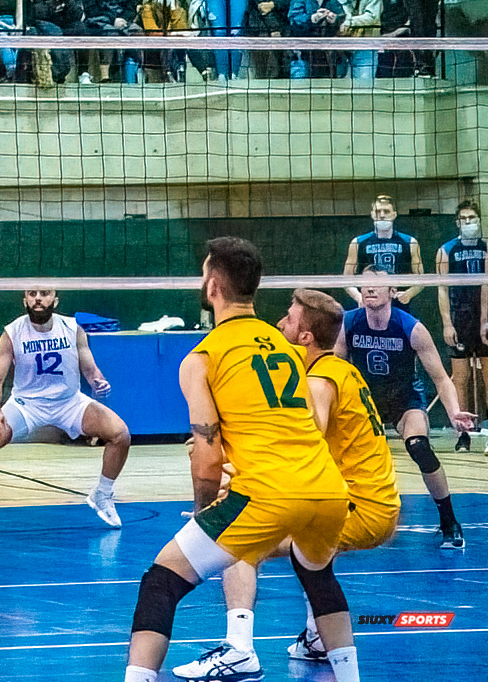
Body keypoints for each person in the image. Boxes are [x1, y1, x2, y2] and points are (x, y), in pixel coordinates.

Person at [123, 237, 357, 682]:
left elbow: (208, 459)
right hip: (327, 489)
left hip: (267, 494)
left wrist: (202, 513)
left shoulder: (202, 357)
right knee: (318, 576)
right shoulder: (285, 346)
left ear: (212, 286)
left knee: (161, 581)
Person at [172, 288, 399, 680]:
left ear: (305, 337)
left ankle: (239, 648)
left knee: (241, 549)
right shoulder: (343, 370)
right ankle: (316, 637)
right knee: (311, 547)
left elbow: (305, 448)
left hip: (358, 508)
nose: (279, 324)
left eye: (289, 319)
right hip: (373, 502)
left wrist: (223, 461)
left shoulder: (318, 383)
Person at [338, 268, 475, 548]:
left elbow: (440, 378)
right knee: (336, 454)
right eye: (365, 286)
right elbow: (334, 370)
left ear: (393, 292)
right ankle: (340, 516)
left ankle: (449, 520)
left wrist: (453, 412)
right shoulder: (348, 323)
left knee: (419, 448)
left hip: (404, 399)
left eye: (377, 286)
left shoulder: (411, 327)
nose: (370, 290)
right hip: (365, 401)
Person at [0, 289, 129, 526]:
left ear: (55, 300)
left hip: (69, 402)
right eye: (32, 293)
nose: (38, 298)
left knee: (121, 434)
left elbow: (89, 368)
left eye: (44, 293)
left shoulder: (72, 328)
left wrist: (98, 381)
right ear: (24, 299)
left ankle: (103, 494)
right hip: (27, 404)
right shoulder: (13, 331)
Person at [437, 200, 488, 452]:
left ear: (479, 220)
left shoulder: (487, 247)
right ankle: (463, 435)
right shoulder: (446, 250)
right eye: (464, 219)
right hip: (459, 318)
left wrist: (484, 321)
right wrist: (447, 323)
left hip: (484, 319)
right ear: (458, 222)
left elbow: (487, 285)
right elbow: (442, 288)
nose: (469, 222)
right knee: (461, 379)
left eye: (473, 218)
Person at [342, 193, 424, 305]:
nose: (382, 215)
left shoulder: (410, 242)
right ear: (372, 214)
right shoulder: (358, 243)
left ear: (394, 214)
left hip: (397, 302)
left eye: (386, 211)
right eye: (377, 211)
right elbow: (346, 279)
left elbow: (421, 280)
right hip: (369, 301)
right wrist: (358, 296)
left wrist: (408, 293)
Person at [287, 0, 341, 79]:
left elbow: (342, 19)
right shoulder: (300, 1)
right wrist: (312, 18)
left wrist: (336, 19)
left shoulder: (333, 3)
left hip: (329, 55)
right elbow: (294, 21)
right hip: (305, 52)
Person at [337, 0, 382, 84]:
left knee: (364, 87)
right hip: (345, 50)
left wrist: (349, 21)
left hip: (366, 48)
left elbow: (372, 17)